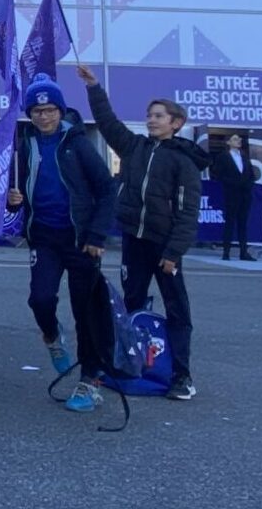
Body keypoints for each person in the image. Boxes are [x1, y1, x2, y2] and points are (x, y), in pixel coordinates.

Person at [81, 64, 206, 401]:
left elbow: (188, 212)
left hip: (165, 248)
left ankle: (182, 376)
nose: (151, 120)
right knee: (132, 304)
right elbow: (108, 124)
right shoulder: (135, 147)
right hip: (134, 242)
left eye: (159, 116)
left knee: (177, 309)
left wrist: (173, 253)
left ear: (176, 123)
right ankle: (132, 366)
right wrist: (94, 88)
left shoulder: (184, 162)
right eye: (150, 115)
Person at [7, 73, 116, 414]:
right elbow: (18, 194)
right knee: (40, 299)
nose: (44, 116)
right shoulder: (26, 146)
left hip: (81, 240)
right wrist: (14, 201)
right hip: (44, 236)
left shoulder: (77, 143)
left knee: (88, 312)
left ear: (60, 110)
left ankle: (90, 379)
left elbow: (107, 190)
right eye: (37, 111)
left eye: (51, 109)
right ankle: (52, 337)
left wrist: (97, 236)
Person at [211, 133, 260, 261]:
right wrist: (231, 182)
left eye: (239, 139)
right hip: (231, 193)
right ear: (228, 142)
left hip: (245, 194)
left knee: (243, 224)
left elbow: (250, 173)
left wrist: (249, 184)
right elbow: (217, 174)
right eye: (235, 139)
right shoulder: (223, 157)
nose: (238, 141)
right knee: (230, 223)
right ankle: (226, 252)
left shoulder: (244, 156)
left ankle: (244, 252)